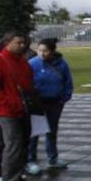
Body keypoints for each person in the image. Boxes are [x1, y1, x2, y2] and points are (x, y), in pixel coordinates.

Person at [0, 32, 36, 181]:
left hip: (22, 108)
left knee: (22, 145)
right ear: (7, 43)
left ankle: (17, 177)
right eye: (18, 42)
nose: (22, 45)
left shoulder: (21, 61)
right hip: (7, 111)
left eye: (24, 42)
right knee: (13, 146)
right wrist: (9, 103)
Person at [27, 37, 73, 172]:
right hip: (37, 102)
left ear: (52, 51)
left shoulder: (61, 64)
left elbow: (68, 81)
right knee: (35, 132)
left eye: (45, 51)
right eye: (39, 50)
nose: (41, 53)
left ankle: (52, 158)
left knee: (52, 131)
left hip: (55, 102)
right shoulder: (32, 63)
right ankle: (31, 160)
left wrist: (65, 97)